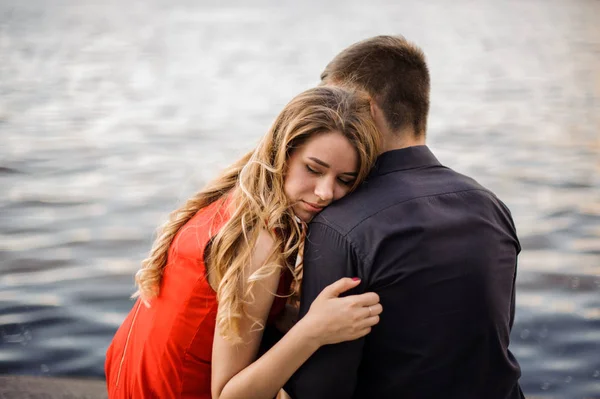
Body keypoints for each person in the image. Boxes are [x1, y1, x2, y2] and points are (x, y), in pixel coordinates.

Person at [283, 36, 525, 399]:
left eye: (333, 103)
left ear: (365, 107)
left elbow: (322, 389)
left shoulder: (340, 225)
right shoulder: (491, 206)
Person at [104, 86, 384, 399]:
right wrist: (313, 331)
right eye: (313, 169)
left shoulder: (235, 198)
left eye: (345, 180)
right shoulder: (258, 245)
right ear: (282, 152)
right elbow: (229, 395)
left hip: (130, 382)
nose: (325, 192)